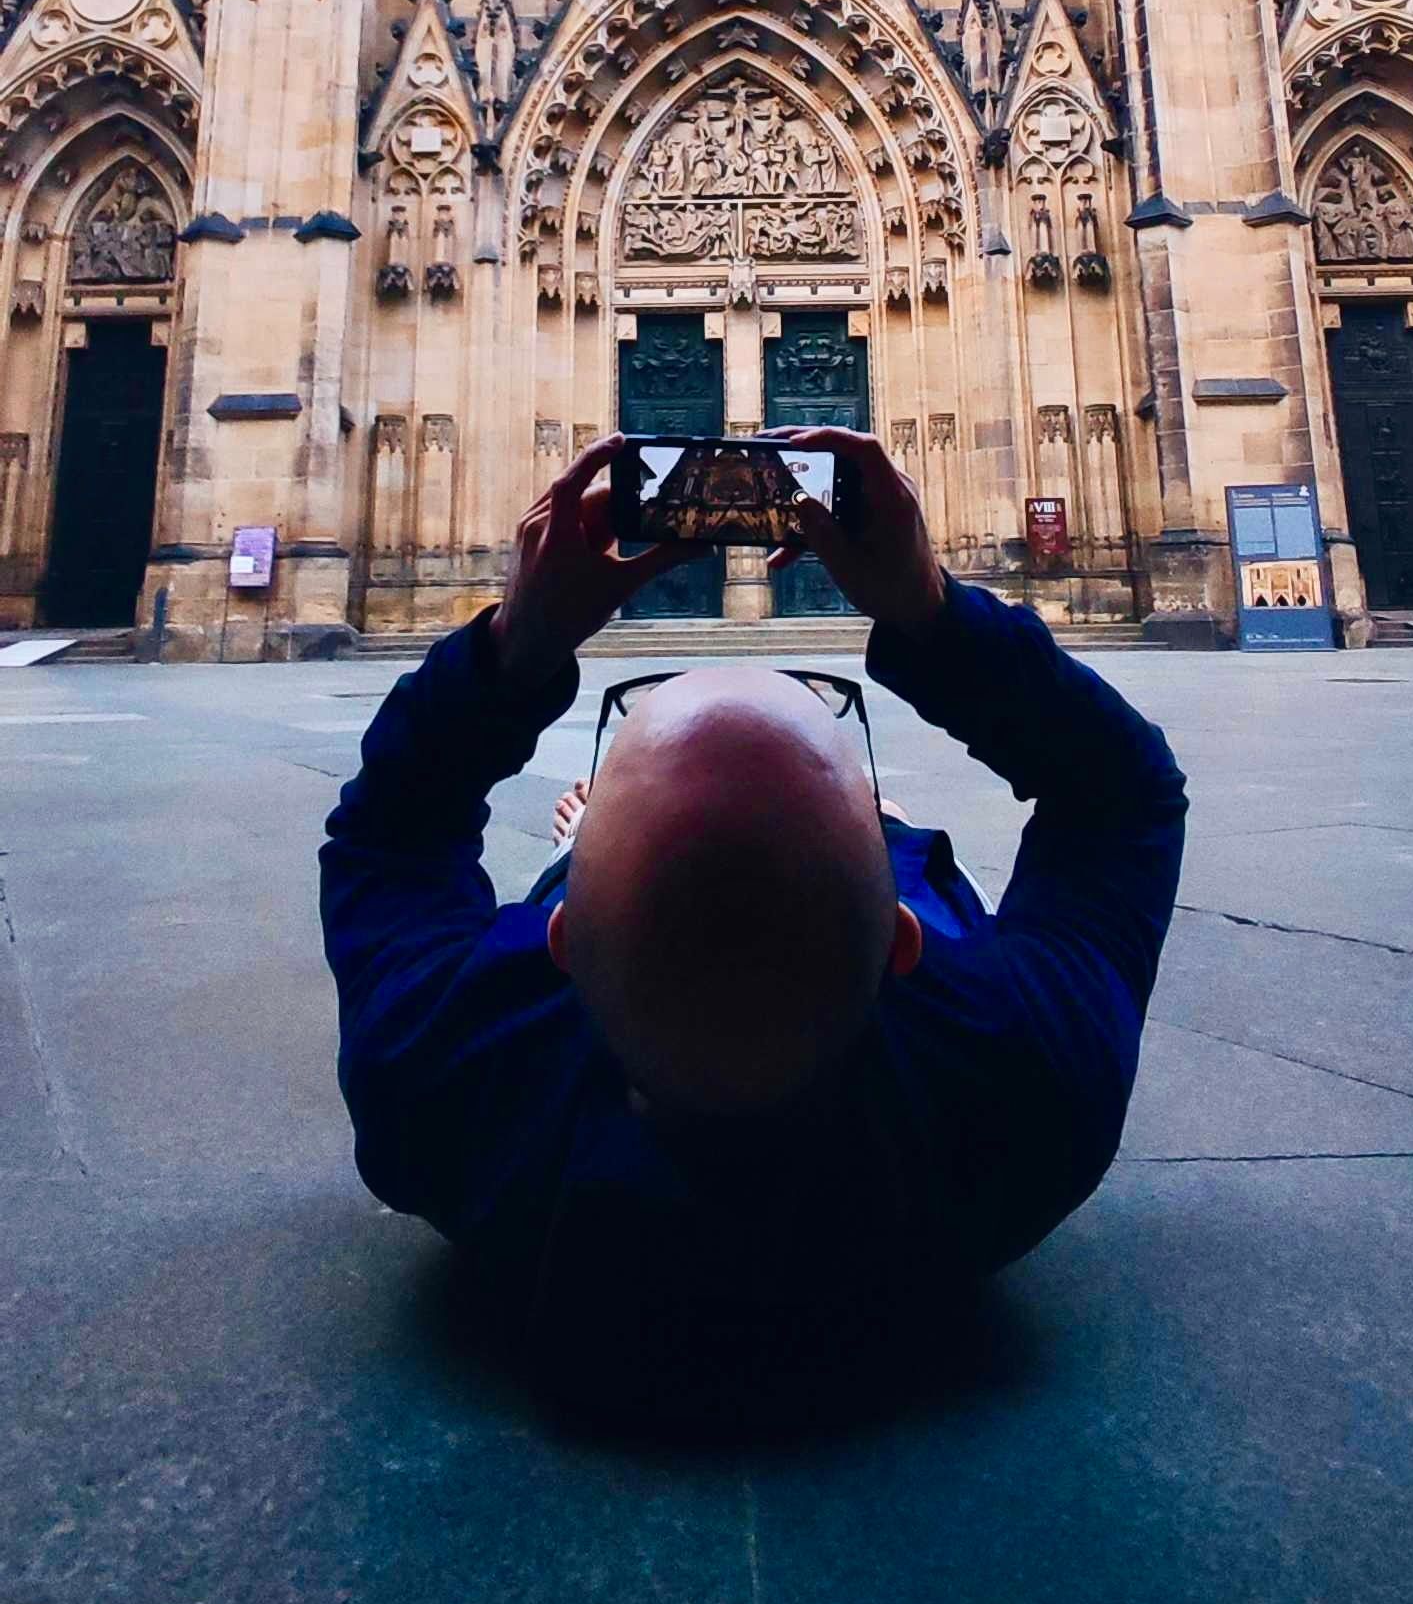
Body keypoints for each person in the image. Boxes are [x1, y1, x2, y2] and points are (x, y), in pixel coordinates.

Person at [320, 433, 1187, 1425]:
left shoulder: (446, 1073)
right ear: (902, 941)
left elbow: (384, 837)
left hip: (638, 924)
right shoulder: (1024, 1076)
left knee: (685, 854)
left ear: (560, 942)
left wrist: (518, 640)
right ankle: (809, 831)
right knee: (791, 849)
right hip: (832, 929)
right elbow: (1130, 794)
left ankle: (636, 832)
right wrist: (930, 611)